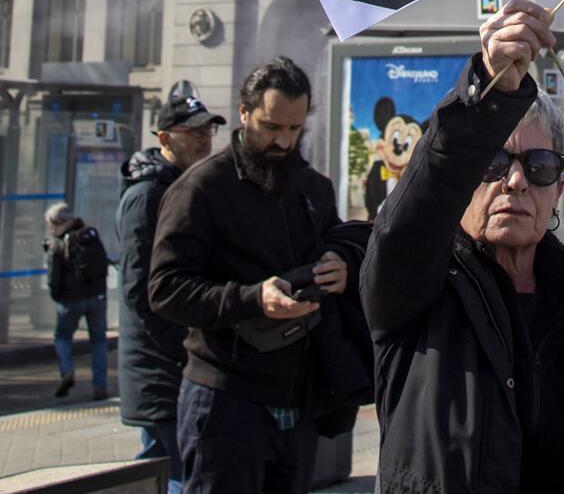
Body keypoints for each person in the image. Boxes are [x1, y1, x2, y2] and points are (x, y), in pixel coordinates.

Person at [360, 0, 564, 492]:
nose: (516, 181)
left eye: (539, 164)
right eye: (493, 163)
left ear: (558, 190)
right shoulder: (419, 291)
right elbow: (414, 215)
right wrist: (491, 84)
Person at [150, 57, 371, 494]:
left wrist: (340, 266)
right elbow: (165, 289)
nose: (283, 141)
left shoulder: (313, 187)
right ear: (244, 112)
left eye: (294, 129)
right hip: (224, 398)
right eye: (271, 127)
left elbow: (337, 240)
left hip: (299, 398)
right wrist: (252, 299)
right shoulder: (201, 188)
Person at [119, 91, 223, 494]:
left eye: (208, 130)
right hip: (160, 369)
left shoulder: (188, 187)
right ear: (164, 138)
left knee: (168, 470)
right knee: (175, 472)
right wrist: (186, 347)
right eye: (192, 131)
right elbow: (139, 290)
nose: (204, 138)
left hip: (177, 362)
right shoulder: (146, 196)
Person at [45, 202, 112, 401]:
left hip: (70, 300)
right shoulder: (89, 235)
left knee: (62, 337)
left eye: (51, 224)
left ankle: (67, 371)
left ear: (59, 222)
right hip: (97, 298)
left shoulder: (57, 243)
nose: (51, 229)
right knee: (99, 341)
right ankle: (100, 385)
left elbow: (53, 278)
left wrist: (57, 297)